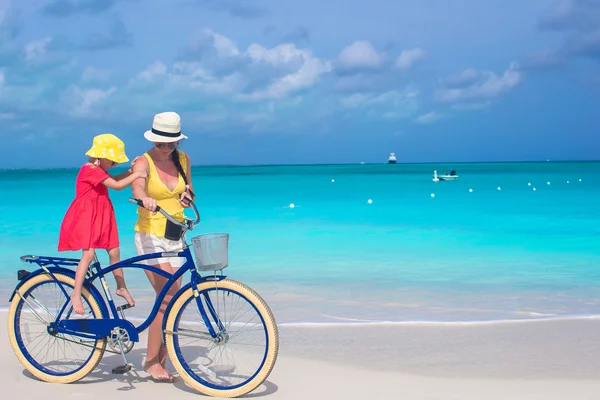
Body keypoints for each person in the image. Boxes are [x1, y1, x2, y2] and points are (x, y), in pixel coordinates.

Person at [131, 111, 195, 383]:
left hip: (175, 234)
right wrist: (144, 198)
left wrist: (186, 196)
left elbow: (190, 188)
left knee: (173, 298)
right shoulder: (142, 161)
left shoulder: (182, 159)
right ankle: (150, 361)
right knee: (168, 295)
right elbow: (137, 187)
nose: (167, 148)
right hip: (150, 235)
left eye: (172, 143)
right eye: (162, 144)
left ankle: (163, 358)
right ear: (153, 140)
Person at [58, 133, 147, 315]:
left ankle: (121, 287)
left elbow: (114, 180)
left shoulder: (99, 170)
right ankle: (76, 293)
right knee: (88, 254)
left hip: (102, 213)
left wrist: (131, 171)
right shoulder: (88, 170)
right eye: (113, 161)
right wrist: (137, 174)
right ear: (100, 157)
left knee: (114, 251)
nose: (114, 165)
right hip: (86, 215)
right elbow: (117, 185)